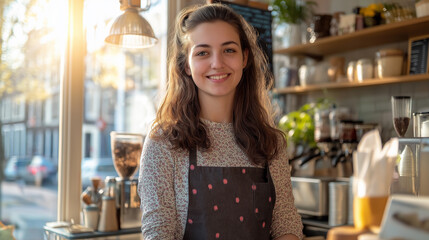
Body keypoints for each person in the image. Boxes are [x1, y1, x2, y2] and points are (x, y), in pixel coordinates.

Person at [138, 3, 303, 240]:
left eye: (229, 50)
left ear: (245, 58)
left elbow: (285, 223)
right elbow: (158, 232)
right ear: (186, 64)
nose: (217, 63)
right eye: (203, 52)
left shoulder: (270, 143)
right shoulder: (164, 143)